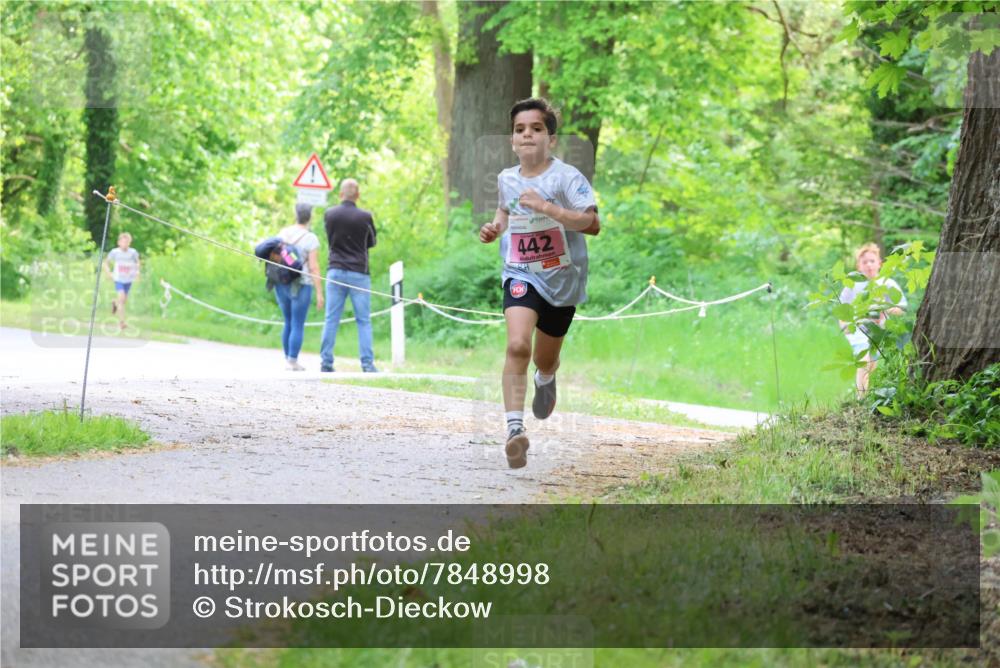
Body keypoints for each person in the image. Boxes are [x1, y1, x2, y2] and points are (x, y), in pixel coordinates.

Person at [479, 97, 600, 469]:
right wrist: (495, 226)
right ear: (512, 140)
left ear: (551, 139)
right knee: (517, 346)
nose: (527, 134)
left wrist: (549, 208)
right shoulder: (506, 178)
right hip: (520, 271)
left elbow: (592, 224)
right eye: (520, 129)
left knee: (544, 358)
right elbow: (505, 209)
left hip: (562, 280)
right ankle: (515, 432)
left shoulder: (567, 177)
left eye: (536, 128)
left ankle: (546, 377)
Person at [319, 178, 378, 373]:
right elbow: (371, 242)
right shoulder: (365, 217)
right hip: (359, 273)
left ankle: (326, 362)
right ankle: (367, 364)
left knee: (331, 318)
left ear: (340, 194)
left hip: (335, 270)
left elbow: (330, 237)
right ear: (358, 195)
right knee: (363, 320)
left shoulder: (330, 214)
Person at [838, 242, 907, 396]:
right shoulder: (852, 285)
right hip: (858, 330)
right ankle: (861, 398)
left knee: (872, 364)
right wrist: (845, 327)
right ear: (858, 266)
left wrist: (884, 307)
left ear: (879, 264)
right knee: (865, 359)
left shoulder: (888, 284)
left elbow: (901, 309)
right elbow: (842, 310)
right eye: (864, 262)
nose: (869, 265)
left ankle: (867, 396)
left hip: (879, 331)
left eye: (872, 261)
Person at [275, 203, 324, 371]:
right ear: (310, 217)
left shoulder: (283, 233)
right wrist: (319, 292)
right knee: (297, 323)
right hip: (302, 284)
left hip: (282, 282)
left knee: (287, 321)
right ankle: (292, 360)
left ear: (295, 215)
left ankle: (287, 358)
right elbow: (314, 267)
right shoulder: (311, 238)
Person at [104, 232, 140, 331]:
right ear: (119, 242)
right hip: (118, 279)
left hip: (128, 279)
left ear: (130, 243)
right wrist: (109, 273)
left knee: (123, 300)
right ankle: (122, 323)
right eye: (123, 242)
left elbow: (137, 263)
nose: (125, 244)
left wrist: (137, 273)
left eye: (127, 242)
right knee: (122, 298)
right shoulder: (115, 252)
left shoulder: (133, 252)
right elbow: (106, 263)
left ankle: (115, 303)